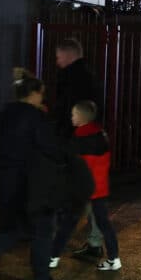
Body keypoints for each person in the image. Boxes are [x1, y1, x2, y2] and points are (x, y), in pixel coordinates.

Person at [0, 69, 83, 280]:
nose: (43, 98)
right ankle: (41, 279)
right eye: (41, 94)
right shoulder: (35, 118)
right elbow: (50, 148)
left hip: (8, 180)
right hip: (33, 183)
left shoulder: (8, 114)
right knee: (43, 229)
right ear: (33, 94)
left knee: (11, 229)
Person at [49, 100, 121, 272]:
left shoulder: (79, 139)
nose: (71, 117)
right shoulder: (101, 135)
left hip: (83, 190)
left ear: (81, 117)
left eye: (73, 114)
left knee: (67, 225)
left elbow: (70, 163)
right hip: (100, 189)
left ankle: (52, 257)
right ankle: (114, 259)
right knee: (104, 224)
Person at [53, 39, 104, 261]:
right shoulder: (88, 75)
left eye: (58, 57)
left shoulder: (71, 78)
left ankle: (56, 240)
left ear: (68, 55)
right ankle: (94, 241)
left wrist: (61, 138)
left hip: (75, 143)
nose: (57, 61)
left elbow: (65, 111)